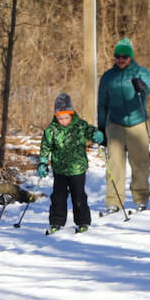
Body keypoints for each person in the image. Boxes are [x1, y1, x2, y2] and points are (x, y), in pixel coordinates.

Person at [97, 38, 150, 213]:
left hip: (137, 123)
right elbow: (102, 103)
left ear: (130, 57)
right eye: (118, 57)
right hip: (115, 124)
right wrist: (100, 128)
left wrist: (141, 87)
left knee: (140, 162)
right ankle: (114, 201)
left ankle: (141, 197)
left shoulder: (140, 72)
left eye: (124, 57)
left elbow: (148, 87)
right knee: (114, 164)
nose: (121, 60)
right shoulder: (108, 77)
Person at [37, 93, 103, 234]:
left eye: (66, 117)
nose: (63, 121)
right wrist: (43, 162)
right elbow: (45, 147)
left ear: (71, 114)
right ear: (56, 116)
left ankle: (83, 221)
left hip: (77, 168)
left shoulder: (80, 125)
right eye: (60, 118)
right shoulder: (51, 130)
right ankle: (56, 221)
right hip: (59, 169)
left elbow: (90, 131)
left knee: (78, 195)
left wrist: (96, 134)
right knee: (58, 196)